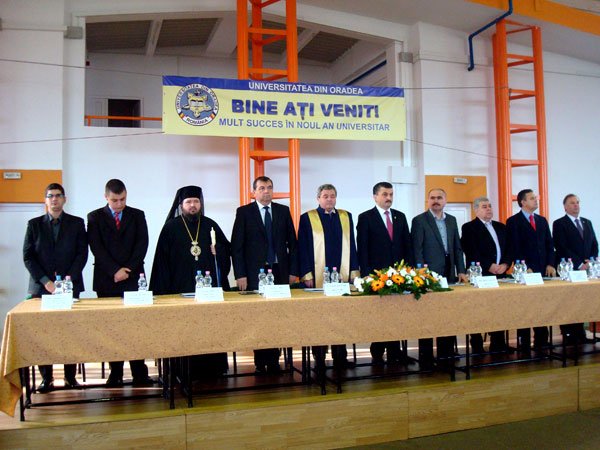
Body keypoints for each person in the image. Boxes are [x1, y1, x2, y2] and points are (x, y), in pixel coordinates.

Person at [150, 185, 230, 377]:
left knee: (209, 328)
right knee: (183, 330)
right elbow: (161, 262)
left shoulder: (210, 225)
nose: (193, 205)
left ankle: (212, 369)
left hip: (207, 290)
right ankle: (180, 370)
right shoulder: (170, 228)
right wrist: (163, 293)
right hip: (179, 289)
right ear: (181, 205)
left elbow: (227, 250)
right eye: (188, 202)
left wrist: (218, 251)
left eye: (196, 201)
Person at [23, 183, 88, 393]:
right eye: (50, 196)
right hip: (42, 288)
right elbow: (28, 257)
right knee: (44, 333)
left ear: (64, 199)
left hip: (69, 286)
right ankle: (46, 378)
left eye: (58, 195)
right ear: (45, 200)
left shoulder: (77, 223)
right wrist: (46, 281)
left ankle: (70, 377)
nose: (54, 199)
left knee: (71, 332)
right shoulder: (34, 225)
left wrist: (68, 279)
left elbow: (82, 254)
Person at [87, 179, 152, 387]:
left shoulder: (137, 215)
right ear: (106, 197)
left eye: (123, 199)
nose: (119, 204)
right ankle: (115, 373)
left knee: (135, 327)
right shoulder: (95, 217)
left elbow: (142, 244)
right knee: (112, 328)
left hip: (133, 278)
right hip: (107, 279)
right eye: (115, 200)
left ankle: (139, 372)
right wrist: (114, 270)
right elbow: (96, 247)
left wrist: (127, 270)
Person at [231, 176, 298, 373]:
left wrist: (293, 271)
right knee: (259, 316)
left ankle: (275, 359)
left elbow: (292, 245)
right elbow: (237, 247)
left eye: (269, 187)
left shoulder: (283, 211)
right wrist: (240, 274)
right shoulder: (244, 212)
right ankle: (260, 361)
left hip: (279, 271)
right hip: (255, 273)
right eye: (261, 188)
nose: (266, 191)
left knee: (277, 315)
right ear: (254, 192)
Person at [298, 184, 360, 368]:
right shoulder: (308, 218)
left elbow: (352, 245)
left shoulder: (346, 216)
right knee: (319, 316)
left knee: (341, 316)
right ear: (318, 198)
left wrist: (354, 271)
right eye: (325, 196)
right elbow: (303, 247)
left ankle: (340, 356)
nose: (329, 199)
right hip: (318, 274)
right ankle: (319, 357)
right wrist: (306, 274)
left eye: (332, 196)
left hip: (341, 273)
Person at [356, 181, 412, 364]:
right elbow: (362, 248)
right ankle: (377, 349)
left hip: (399, 274)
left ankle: (396, 351)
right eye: (385, 194)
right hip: (376, 275)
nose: (389, 198)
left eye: (391, 194)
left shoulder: (400, 216)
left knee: (397, 314)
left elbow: (407, 245)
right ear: (375, 197)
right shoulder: (366, 218)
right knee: (380, 314)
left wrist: (409, 271)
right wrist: (365, 273)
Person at [412, 188, 467, 367]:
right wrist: (420, 272)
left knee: (448, 313)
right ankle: (426, 355)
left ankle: (446, 352)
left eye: (439, 197)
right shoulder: (419, 220)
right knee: (427, 315)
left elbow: (457, 247)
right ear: (428, 200)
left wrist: (461, 270)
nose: (436, 200)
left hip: (449, 274)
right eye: (432, 198)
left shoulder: (451, 220)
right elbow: (417, 248)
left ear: (445, 200)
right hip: (428, 274)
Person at [506, 188, 556, 351]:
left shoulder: (541, 220)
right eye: (532, 198)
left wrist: (550, 264)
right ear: (523, 202)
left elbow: (549, 244)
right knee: (526, 306)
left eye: (536, 198)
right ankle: (524, 341)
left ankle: (541, 340)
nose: (536, 200)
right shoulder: (513, 221)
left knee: (542, 305)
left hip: (543, 270)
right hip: (525, 271)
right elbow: (514, 247)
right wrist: (525, 267)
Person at [461, 196, 511, 353]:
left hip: (500, 274)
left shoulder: (501, 227)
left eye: (490, 206)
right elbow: (471, 250)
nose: (488, 209)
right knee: (478, 310)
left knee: (499, 309)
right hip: (481, 275)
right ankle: (476, 344)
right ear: (476, 210)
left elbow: (509, 249)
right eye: (484, 206)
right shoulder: (469, 227)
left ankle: (498, 343)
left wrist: (505, 264)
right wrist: (489, 265)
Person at [552, 194, 598, 344]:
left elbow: (594, 244)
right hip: (570, 269)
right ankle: (568, 334)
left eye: (577, 202)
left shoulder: (587, 222)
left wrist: (590, 261)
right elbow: (561, 246)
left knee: (581, 302)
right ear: (565, 207)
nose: (576, 205)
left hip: (587, 269)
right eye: (572, 203)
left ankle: (581, 334)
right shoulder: (559, 223)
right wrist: (579, 264)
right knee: (568, 302)